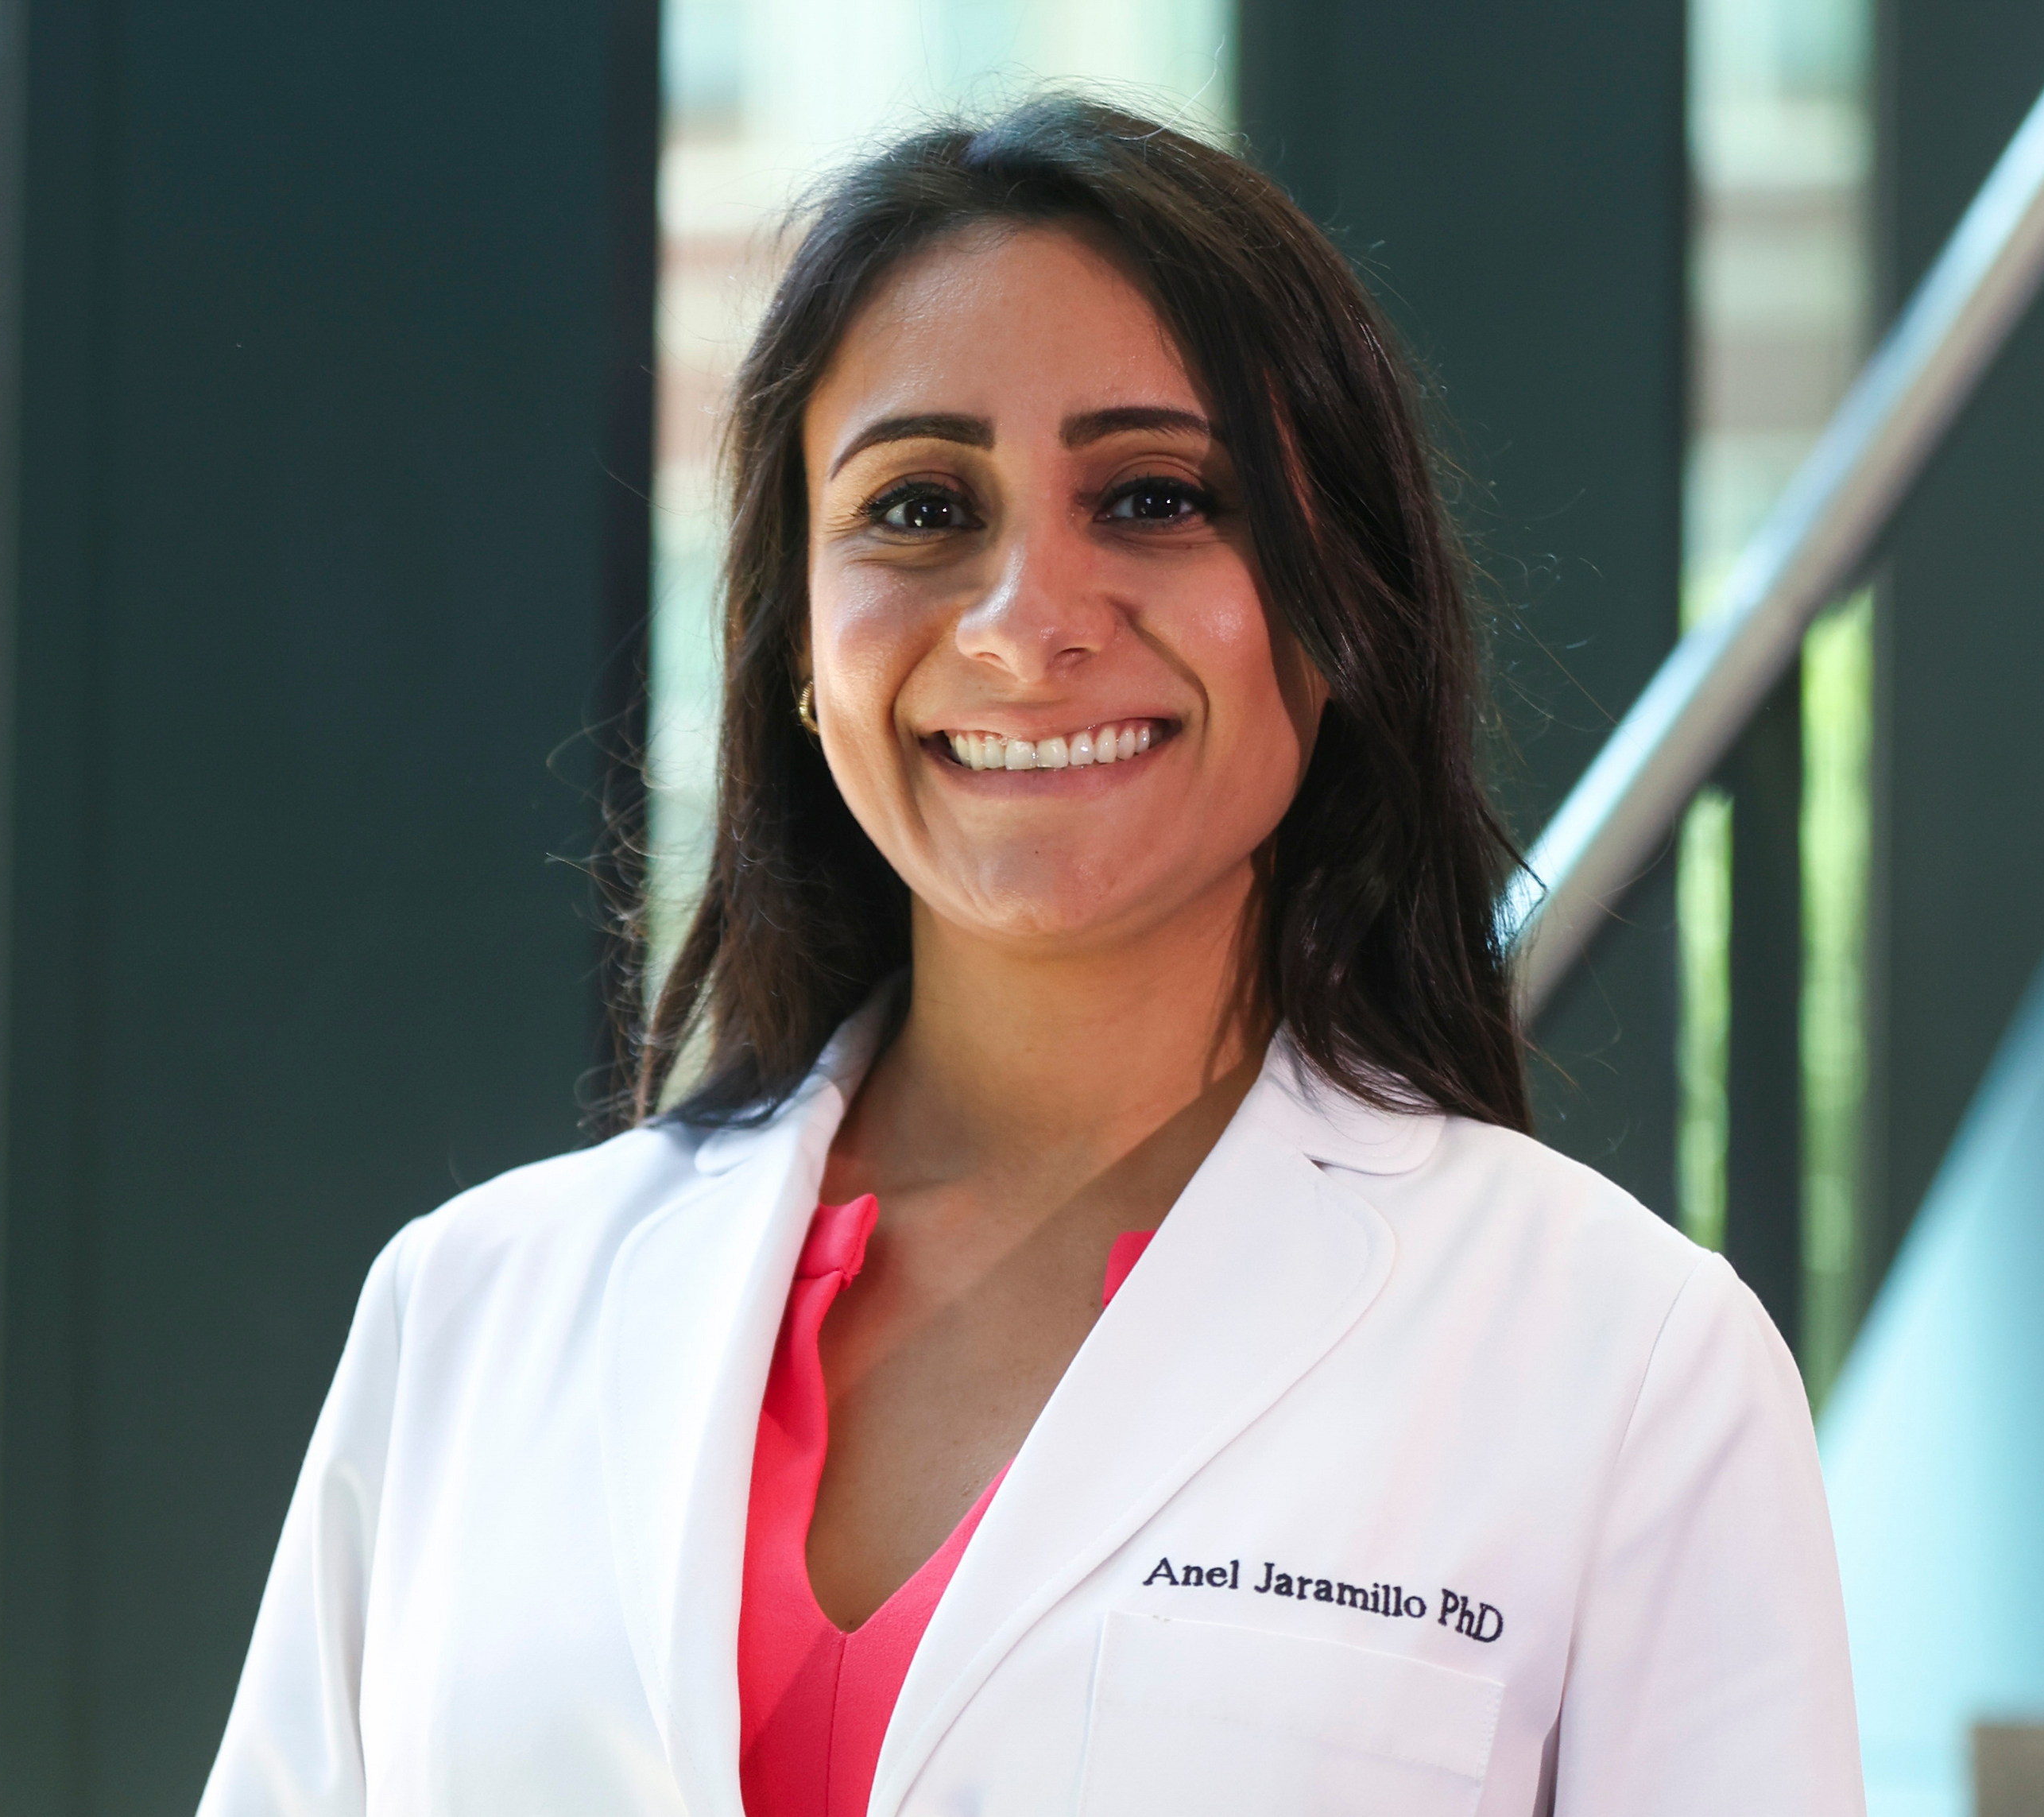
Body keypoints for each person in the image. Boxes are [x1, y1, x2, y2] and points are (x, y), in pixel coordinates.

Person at [199, 97, 1863, 1817]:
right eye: (919, 510)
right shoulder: (471, 1314)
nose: (1021, 625)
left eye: (1153, 497)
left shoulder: (1624, 1362)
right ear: (793, 642)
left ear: (1342, 609)